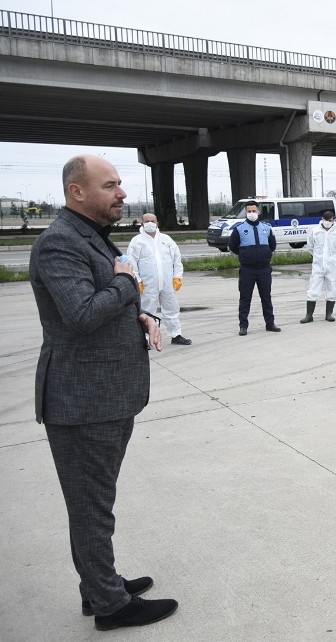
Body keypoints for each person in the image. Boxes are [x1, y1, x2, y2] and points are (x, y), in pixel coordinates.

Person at [28, 155, 177, 631]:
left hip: (102, 395)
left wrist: (138, 312)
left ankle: (100, 585)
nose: (122, 193)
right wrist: (125, 283)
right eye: (110, 185)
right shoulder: (58, 243)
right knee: (92, 506)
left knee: (96, 501)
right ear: (78, 192)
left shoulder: (87, 235)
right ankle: (109, 605)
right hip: (82, 399)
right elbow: (82, 313)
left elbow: (99, 304)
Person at [127, 213, 190, 345]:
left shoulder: (166, 239)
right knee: (146, 310)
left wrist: (177, 276)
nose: (150, 223)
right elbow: (132, 263)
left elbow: (176, 259)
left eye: (152, 221)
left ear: (157, 223)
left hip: (167, 283)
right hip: (148, 284)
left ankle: (176, 334)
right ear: (142, 223)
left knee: (172, 308)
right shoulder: (137, 241)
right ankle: (144, 338)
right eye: (147, 221)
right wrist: (137, 280)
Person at [228, 200, 280, 335]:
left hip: (264, 269)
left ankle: (270, 323)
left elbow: (272, 245)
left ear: (258, 211)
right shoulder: (239, 229)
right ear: (246, 212)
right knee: (245, 298)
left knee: (266, 297)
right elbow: (233, 246)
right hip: (247, 270)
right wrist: (245, 255)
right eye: (249, 211)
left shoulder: (266, 228)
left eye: (254, 211)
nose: (252, 213)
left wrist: (265, 255)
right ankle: (243, 326)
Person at [301, 210, 336, 323]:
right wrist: (318, 257)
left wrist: (332, 258)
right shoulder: (315, 231)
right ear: (322, 219)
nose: (327, 222)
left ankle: (329, 314)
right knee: (313, 290)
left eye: (330, 220)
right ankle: (309, 315)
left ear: (333, 220)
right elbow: (310, 247)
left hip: (332, 266)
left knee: (332, 289)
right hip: (318, 265)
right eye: (326, 220)